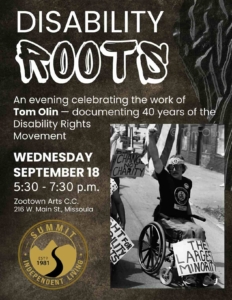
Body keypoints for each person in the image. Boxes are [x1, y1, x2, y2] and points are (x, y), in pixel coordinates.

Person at [148, 128, 215, 287]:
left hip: (183, 219)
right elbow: (156, 157)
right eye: (174, 166)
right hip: (166, 218)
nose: (177, 169)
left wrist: (191, 218)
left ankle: (202, 272)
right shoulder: (164, 178)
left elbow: (186, 204)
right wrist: (150, 137)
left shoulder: (187, 183)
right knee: (186, 233)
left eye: (180, 166)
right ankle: (188, 275)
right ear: (170, 168)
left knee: (199, 231)